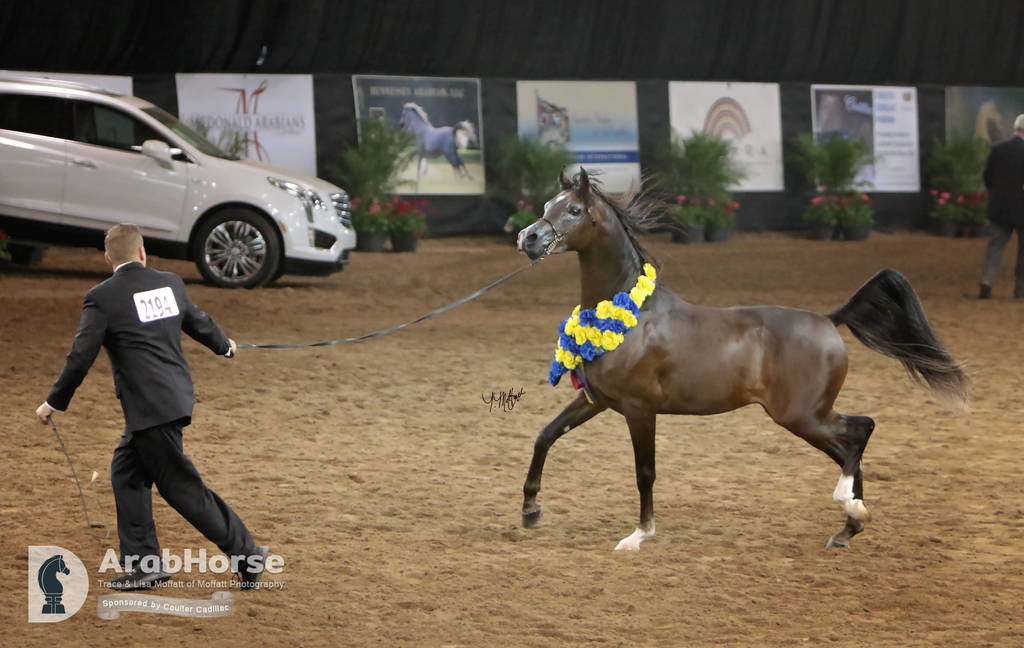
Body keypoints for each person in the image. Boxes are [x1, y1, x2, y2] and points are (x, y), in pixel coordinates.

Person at [35, 223, 268, 591]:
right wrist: (225, 346)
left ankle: (247, 553)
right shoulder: (170, 282)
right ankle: (145, 564)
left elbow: (81, 356)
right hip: (170, 399)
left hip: (150, 409)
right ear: (143, 253)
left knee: (182, 490)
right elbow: (198, 321)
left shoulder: (102, 296)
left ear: (108, 259)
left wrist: (53, 402)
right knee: (126, 474)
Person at [979, 113, 1024, 299]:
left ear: (1016, 128)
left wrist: (996, 194)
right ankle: (1021, 290)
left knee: (995, 246)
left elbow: (987, 176)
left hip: (1000, 207)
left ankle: (987, 281)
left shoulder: (998, 149)